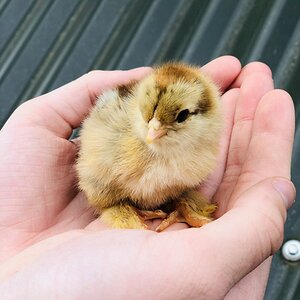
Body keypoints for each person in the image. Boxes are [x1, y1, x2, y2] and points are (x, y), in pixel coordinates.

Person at [0, 56, 295, 299]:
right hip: (106, 185)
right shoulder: (120, 137)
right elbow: (94, 162)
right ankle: (117, 206)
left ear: (205, 116)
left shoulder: (202, 149)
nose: (153, 130)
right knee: (107, 177)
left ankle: (180, 202)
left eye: (178, 117)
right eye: (147, 117)